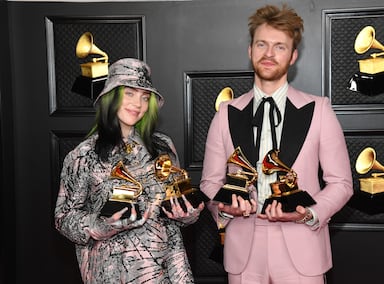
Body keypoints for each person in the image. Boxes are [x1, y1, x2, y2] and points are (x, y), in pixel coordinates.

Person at [200, 4, 353, 284]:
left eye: (279, 47)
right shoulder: (225, 114)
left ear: (293, 56)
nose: (269, 54)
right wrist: (223, 207)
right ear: (250, 50)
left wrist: (309, 212)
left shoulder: (319, 110)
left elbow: (341, 183)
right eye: (262, 44)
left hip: (302, 246)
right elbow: (210, 182)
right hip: (243, 250)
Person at [55, 58, 204, 283]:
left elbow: (177, 202)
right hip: (114, 273)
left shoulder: (164, 146)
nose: (138, 104)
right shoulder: (83, 155)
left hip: (171, 270)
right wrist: (99, 225)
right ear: (110, 97)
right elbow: (64, 218)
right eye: (129, 93)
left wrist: (188, 214)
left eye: (145, 97)